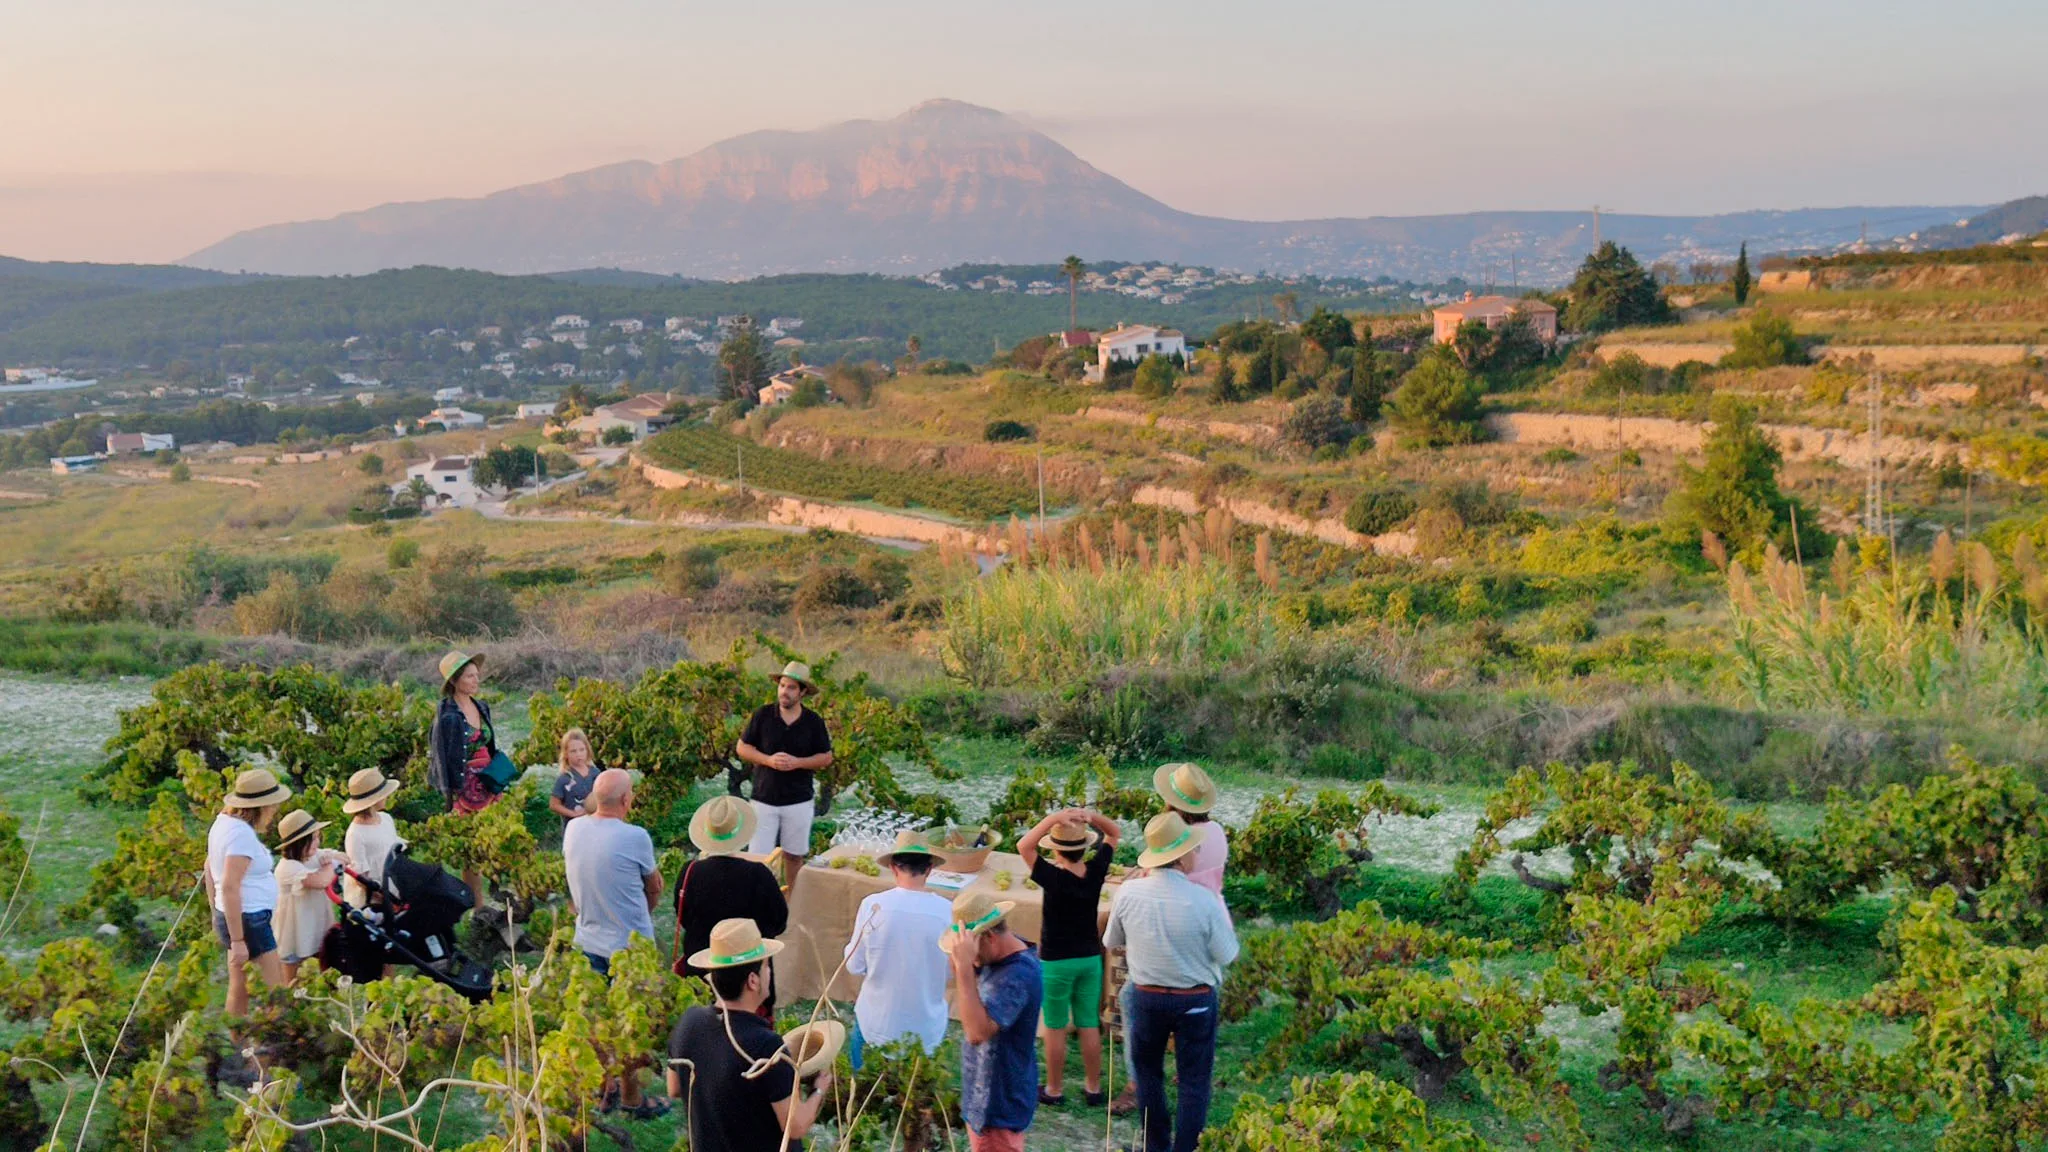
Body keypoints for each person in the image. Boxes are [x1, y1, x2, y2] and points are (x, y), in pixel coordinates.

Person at [1103, 811, 1239, 1152]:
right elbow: (1227, 954)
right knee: (1194, 1081)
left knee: (1148, 1074)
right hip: (1195, 999)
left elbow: (1111, 940)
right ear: (1179, 857)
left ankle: (1155, 1144)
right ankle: (1186, 1147)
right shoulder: (1204, 901)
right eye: (1193, 850)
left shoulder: (1129, 892)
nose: (1197, 855)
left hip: (1147, 996)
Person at [668, 918, 834, 1152]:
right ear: (753, 981)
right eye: (767, 965)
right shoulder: (766, 1047)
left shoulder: (689, 1022)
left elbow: (674, 1088)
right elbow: (794, 1127)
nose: (769, 972)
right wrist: (819, 1089)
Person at [564, 768, 668, 1117]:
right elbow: (653, 886)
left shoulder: (574, 827)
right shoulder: (635, 836)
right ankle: (632, 1098)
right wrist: (645, 915)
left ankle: (602, 1087)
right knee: (633, 1023)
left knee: (594, 1019)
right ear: (626, 800)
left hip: (586, 940)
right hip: (628, 947)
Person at [1018, 808, 1121, 1107]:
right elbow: (1114, 833)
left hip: (1055, 961)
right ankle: (1093, 1087)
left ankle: (1054, 1088)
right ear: (1085, 847)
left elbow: (1023, 846)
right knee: (1089, 1022)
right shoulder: (1096, 869)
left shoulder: (1051, 876)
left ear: (1056, 850)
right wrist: (1091, 817)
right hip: (1089, 958)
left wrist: (1052, 819)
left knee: (1055, 1024)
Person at [943, 890, 1044, 1152]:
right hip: (985, 1100)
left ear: (988, 937)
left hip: (998, 1105)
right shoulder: (999, 954)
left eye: (973, 951)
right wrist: (963, 959)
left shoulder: (1017, 976)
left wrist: (965, 968)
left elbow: (976, 1032)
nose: (972, 961)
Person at [843, 830, 951, 1066]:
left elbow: (853, 964)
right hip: (926, 1028)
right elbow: (952, 972)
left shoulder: (874, 905)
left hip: (876, 1021)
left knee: (860, 1095)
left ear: (893, 867)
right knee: (918, 1098)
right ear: (930, 868)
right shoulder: (947, 912)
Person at [736, 661, 834, 888]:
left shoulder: (813, 722)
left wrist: (798, 763)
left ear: (802, 692)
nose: (784, 692)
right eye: (782, 686)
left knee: (794, 856)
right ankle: (759, 905)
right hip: (764, 799)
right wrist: (768, 760)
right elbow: (742, 748)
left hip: (798, 801)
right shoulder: (762, 715)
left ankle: (793, 905)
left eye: (790, 688)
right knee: (759, 859)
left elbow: (826, 757)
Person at [204, 768, 293, 1017]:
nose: (274, 811)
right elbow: (231, 885)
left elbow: (209, 867)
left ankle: (238, 1047)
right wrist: (238, 940)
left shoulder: (223, 824)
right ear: (261, 806)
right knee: (274, 992)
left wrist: (216, 913)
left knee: (240, 987)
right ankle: (273, 1047)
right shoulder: (241, 836)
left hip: (232, 916)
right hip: (249, 920)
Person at [676, 796, 788, 985]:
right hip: (749, 972)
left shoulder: (690, 871)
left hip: (700, 969)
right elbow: (778, 922)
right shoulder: (759, 875)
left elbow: (683, 917)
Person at [428, 649, 500, 910]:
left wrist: (498, 778)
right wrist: (450, 795)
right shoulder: (448, 716)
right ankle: (476, 905)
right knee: (471, 850)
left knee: (493, 841)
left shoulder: (482, 707)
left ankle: (493, 898)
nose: (475, 680)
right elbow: (440, 758)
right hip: (465, 788)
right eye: (470, 676)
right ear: (455, 681)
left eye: (476, 675)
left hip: (488, 783)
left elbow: (491, 746)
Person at [272, 809, 343, 981]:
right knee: (293, 973)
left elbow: (341, 857)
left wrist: (333, 858)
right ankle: (290, 1002)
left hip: (314, 923)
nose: (317, 843)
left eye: (318, 837)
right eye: (312, 839)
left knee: (317, 965)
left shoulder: (312, 856)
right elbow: (320, 881)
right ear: (298, 844)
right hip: (294, 928)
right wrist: (329, 866)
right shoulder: (287, 867)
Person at [1153, 763, 1226, 897]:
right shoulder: (1216, 829)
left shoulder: (1180, 837)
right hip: (1214, 906)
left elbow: (1159, 880)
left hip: (1184, 907)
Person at [341, 767, 404, 911]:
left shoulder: (386, 819)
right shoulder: (356, 834)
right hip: (373, 898)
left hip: (392, 885)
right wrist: (384, 896)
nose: (387, 797)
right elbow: (361, 878)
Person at [549, 727, 600, 823]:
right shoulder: (565, 778)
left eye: (582, 750)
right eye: (573, 751)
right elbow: (554, 804)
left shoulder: (595, 773)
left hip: (595, 824)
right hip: (573, 827)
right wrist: (572, 813)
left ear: (587, 750)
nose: (578, 754)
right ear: (566, 754)